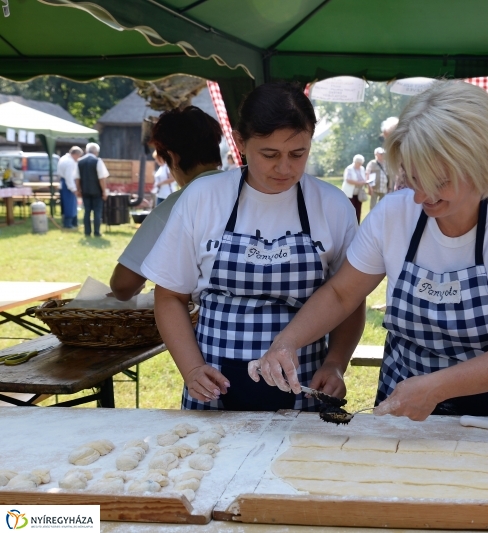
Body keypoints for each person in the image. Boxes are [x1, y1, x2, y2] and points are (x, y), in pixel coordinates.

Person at [252, 80, 488, 420]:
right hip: (404, 401)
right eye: (413, 178)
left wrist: (436, 387)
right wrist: (287, 342)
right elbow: (341, 294)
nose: (420, 197)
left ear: (480, 164)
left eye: (439, 181)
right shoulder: (393, 215)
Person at [141, 82, 363, 412]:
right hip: (214, 385)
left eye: (298, 154)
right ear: (241, 142)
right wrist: (191, 368)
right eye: (270, 154)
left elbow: (349, 299)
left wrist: (334, 363)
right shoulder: (204, 198)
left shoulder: (332, 206)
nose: (285, 168)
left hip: (304, 385)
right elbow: (170, 295)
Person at [110, 106, 224, 301]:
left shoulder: (175, 207)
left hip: (203, 324)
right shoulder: (252, 191)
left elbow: (122, 285)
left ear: (172, 157)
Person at [75, 142, 109, 237]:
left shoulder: (79, 161)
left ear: (86, 151)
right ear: (96, 152)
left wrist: (78, 190)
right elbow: (102, 178)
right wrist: (104, 191)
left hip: (85, 190)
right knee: (97, 212)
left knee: (87, 212)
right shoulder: (98, 161)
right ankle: (97, 232)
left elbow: (77, 178)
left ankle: (87, 232)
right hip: (97, 191)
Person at [57, 146, 82, 229]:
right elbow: (69, 177)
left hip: (63, 183)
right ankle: (68, 223)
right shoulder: (70, 162)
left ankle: (72, 222)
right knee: (69, 204)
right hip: (68, 185)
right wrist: (73, 188)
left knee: (69, 204)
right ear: (75, 154)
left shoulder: (63, 158)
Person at [341, 154, 367, 223]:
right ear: (355, 162)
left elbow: (364, 178)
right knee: (350, 209)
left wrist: (365, 182)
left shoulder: (362, 169)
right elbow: (348, 179)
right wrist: (358, 183)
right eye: (358, 163)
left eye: (361, 163)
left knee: (358, 209)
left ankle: (357, 224)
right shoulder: (349, 168)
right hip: (350, 193)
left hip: (359, 193)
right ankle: (349, 223)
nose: (360, 165)